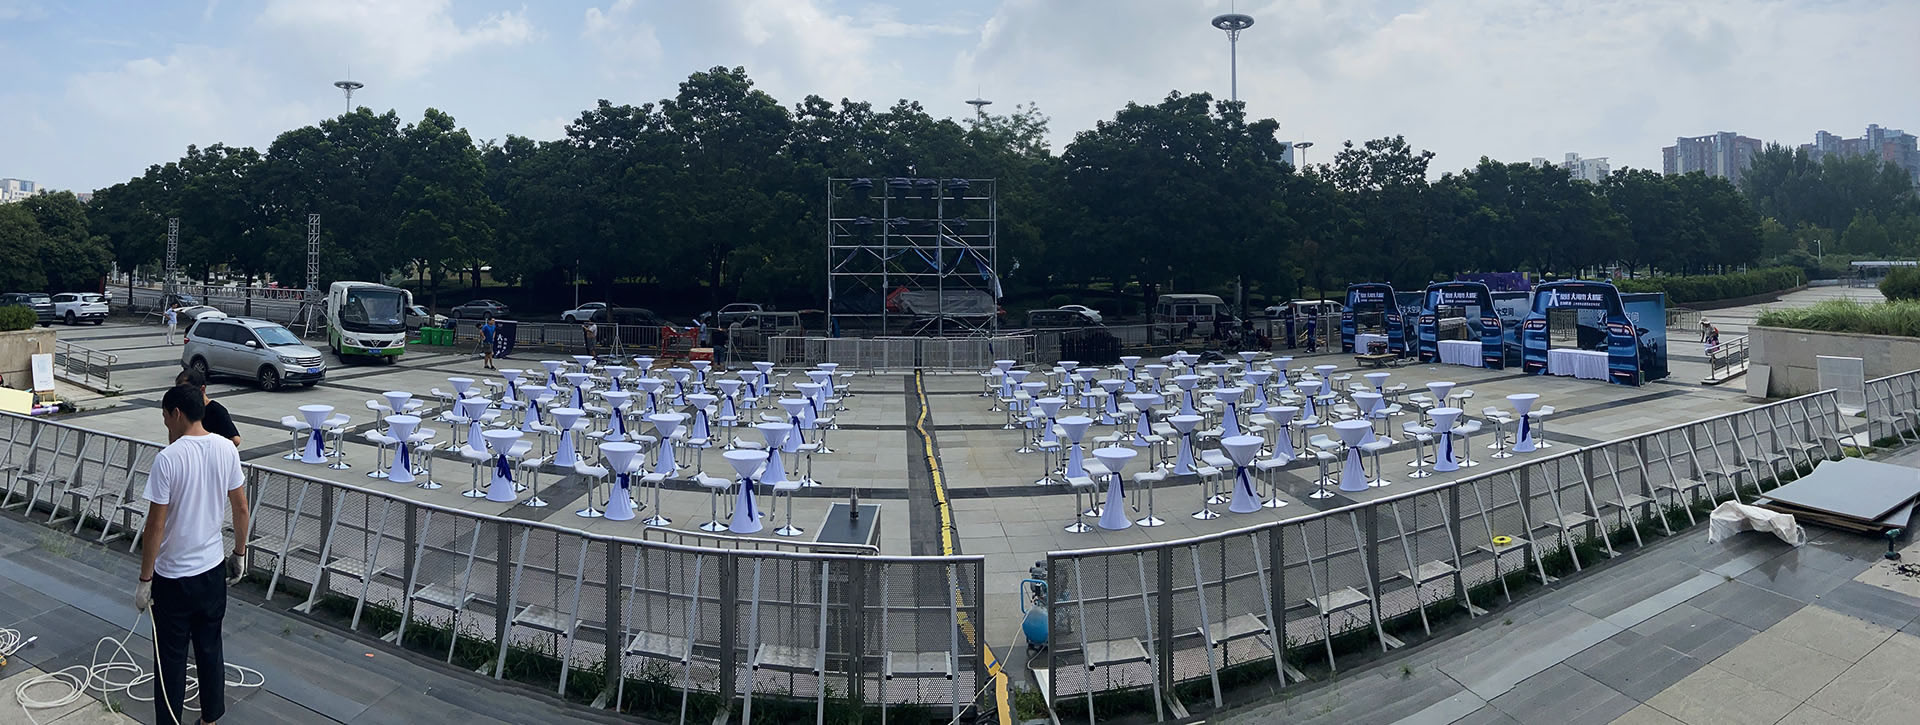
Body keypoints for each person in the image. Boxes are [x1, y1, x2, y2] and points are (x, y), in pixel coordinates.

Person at [138, 384, 249, 725]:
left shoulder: (168, 459)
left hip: (173, 577)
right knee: (210, 649)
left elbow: (155, 525)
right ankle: (210, 719)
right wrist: (239, 553)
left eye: (165, 418)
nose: (165, 425)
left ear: (177, 414)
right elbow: (241, 508)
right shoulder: (226, 448)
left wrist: (145, 579)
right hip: (212, 571)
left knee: (170, 659)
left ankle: (170, 720)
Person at [176, 369, 240, 448]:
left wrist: (209, 448)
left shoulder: (216, 410)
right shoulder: (184, 409)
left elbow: (235, 440)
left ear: (202, 389)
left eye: (187, 391)